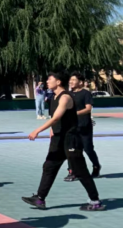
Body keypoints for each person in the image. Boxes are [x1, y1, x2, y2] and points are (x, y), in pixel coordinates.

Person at [22, 72, 105, 212]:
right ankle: (40, 198)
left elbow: (56, 118)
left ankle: (95, 201)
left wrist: (37, 130)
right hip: (58, 138)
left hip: (71, 139)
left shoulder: (65, 97)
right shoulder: (53, 97)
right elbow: (55, 120)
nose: (47, 81)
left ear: (58, 82)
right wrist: (52, 130)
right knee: (49, 166)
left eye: (50, 79)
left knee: (80, 170)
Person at [65, 72, 101, 180]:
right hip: (71, 127)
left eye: (73, 80)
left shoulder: (86, 93)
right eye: (70, 80)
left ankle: (96, 166)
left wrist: (75, 113)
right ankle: (72, 171)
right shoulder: (67, 94)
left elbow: (88, 108)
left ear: (80, 82)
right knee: (71, 150)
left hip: (84, 125)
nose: (71, 82)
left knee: (88, 149)